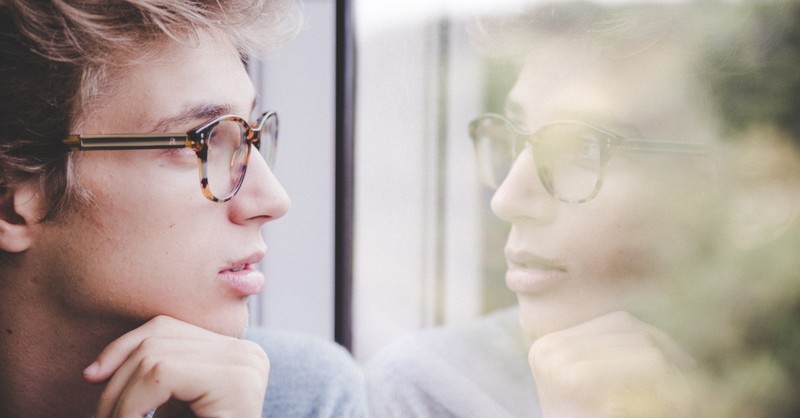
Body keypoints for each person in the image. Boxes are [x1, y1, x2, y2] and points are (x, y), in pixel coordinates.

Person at [365, 1, 800, 416]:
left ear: (758, 184)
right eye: (516, 135)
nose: (507, 199)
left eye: (584, 147)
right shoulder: (437, 389)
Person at [0, 1, 367, 417]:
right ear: (11, 197)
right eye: (204, 140)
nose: (273, 200)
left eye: (250, 136)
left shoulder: (303, 396)